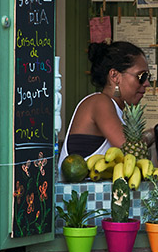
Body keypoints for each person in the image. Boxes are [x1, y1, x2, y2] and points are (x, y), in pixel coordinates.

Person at [58, 40, 151, 173]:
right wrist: (153, 134)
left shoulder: (116, 111)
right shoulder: (100, 102)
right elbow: (129, 151)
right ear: (114, 75)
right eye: (142, 76)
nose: (147, 83)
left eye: (149, 76)